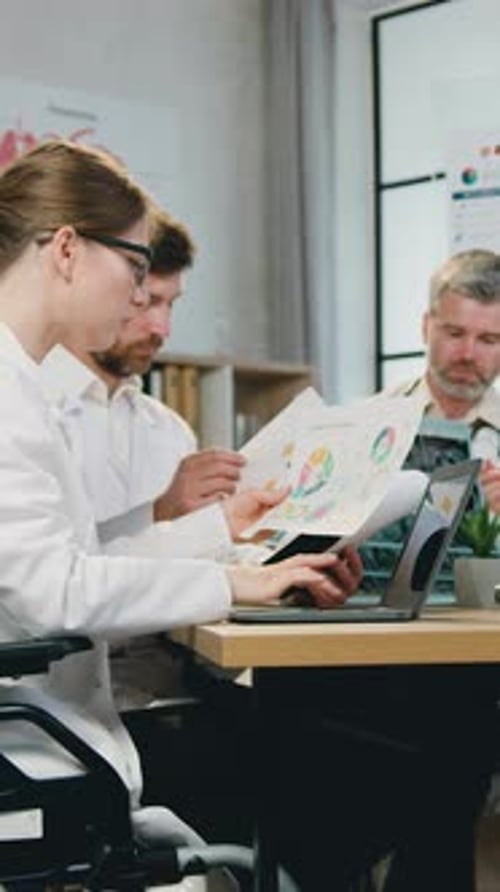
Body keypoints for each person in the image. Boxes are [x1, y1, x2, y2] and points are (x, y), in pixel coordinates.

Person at [0, 138, 363, 890]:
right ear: (67, 249)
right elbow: (53, 593)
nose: (139, 299)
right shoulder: (9, 394)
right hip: (31, 753)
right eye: (135, 269)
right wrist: (235, 587)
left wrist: (220, 538)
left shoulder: (20, 383)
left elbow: (76, 560)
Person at [40, 210, 249, 710]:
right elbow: (62, 580)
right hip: (75, 693)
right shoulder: (32, 406)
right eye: (147, 300)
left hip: (170, 688)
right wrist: (164, 512)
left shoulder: (169, 428)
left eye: (171, 305)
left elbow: (197, 561)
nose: (161, 327)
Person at [384, 249, 500, 509]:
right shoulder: (367, 422)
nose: (468, 354)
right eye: (455, 333)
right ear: (426, 327)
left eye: (488, 340)